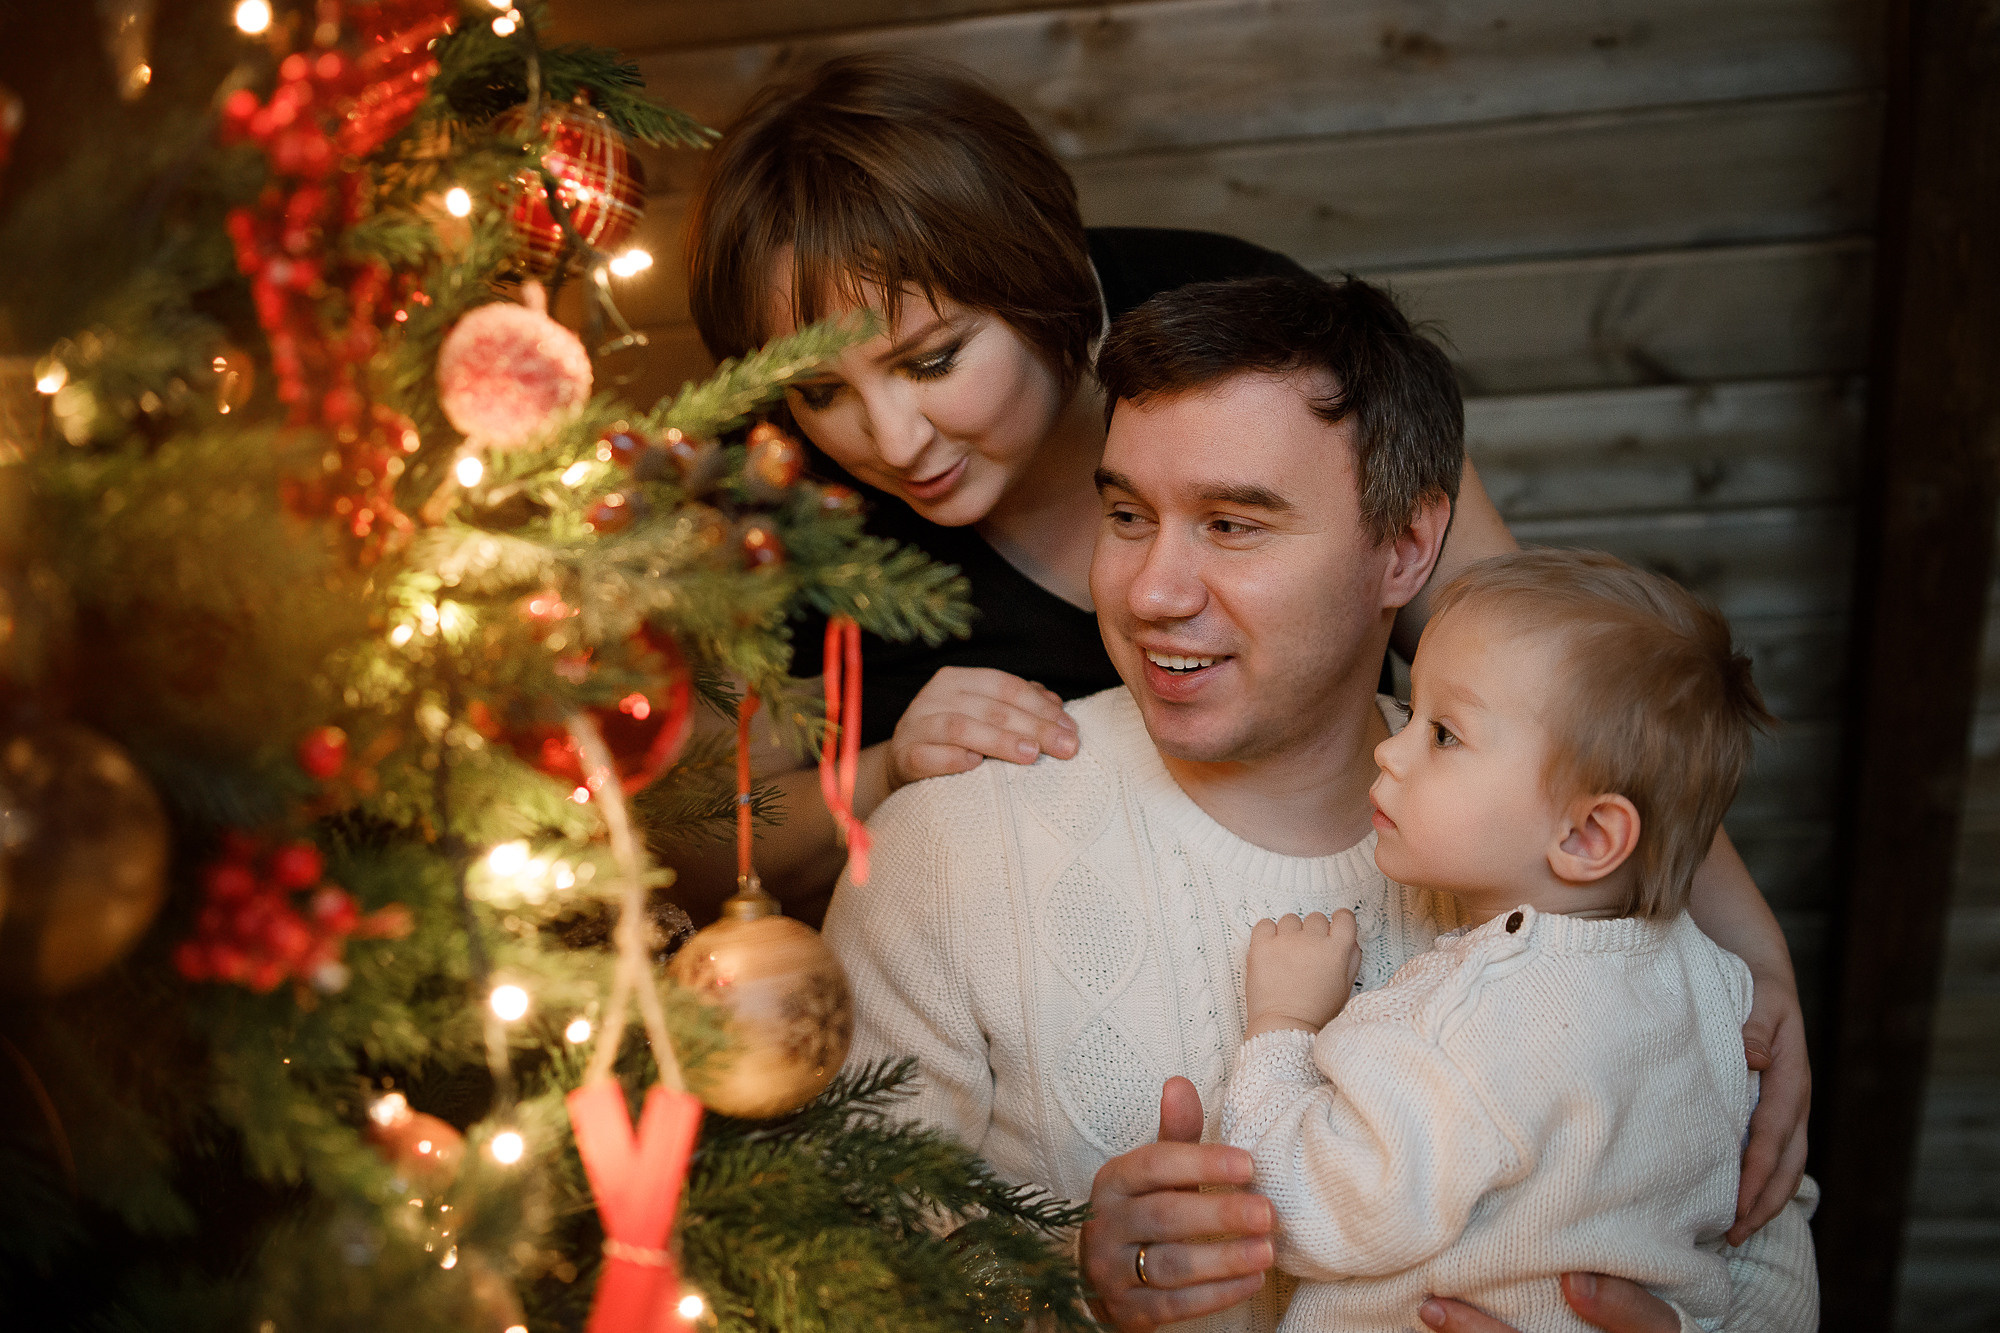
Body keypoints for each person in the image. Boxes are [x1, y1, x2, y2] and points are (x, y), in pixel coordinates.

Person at [822, 275, 1820, 1333]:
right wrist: (1064, 1282)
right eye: (1125, 514)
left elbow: (1762, 1264)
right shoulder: (945, 848)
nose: (1152, 589)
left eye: (1231, 523)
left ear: (1402, 548)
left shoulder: (1576, 881)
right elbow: (821, 1272)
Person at [676, 51, 1520, 922]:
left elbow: (1526, 669)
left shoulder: (1256, 328)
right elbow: (698, 847)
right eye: (819, 392)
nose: (892, 440)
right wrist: (884, 772)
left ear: (1048, 273)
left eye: (932, 360)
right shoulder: (762, 490)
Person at [1220, 547, 1808, 1331]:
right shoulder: (1717, 992)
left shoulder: (1469, 1021)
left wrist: (1282, 1026)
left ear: (1590, 833)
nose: (1389, 748)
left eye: (1445, 734)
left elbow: (1290, 1212)